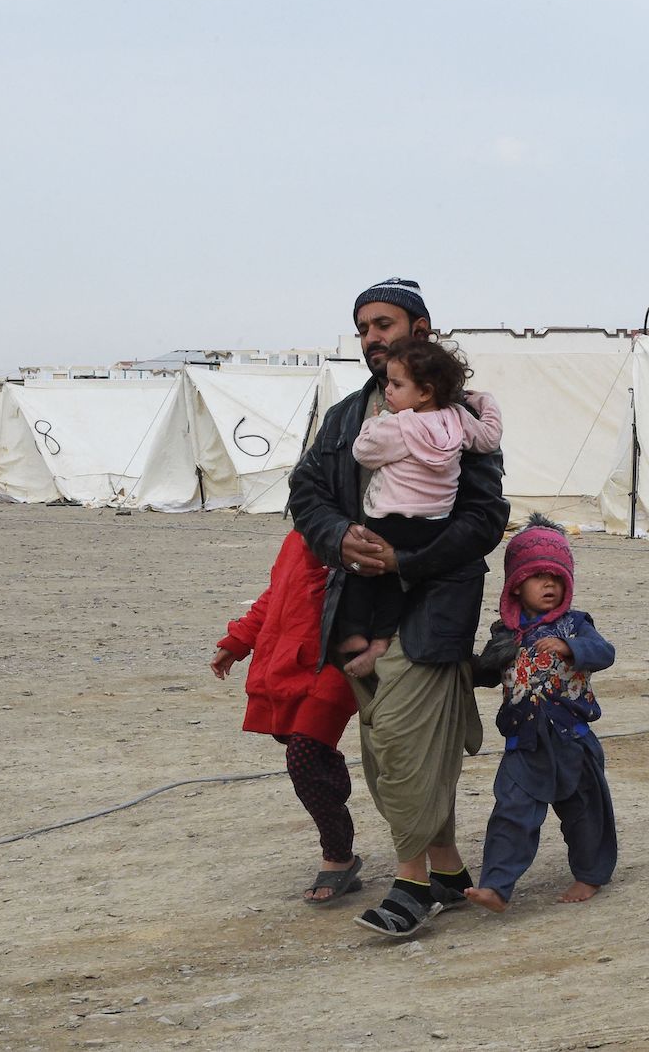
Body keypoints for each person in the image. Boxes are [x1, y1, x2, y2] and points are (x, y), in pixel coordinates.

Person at [288, 277, 509, 939]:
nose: (370, 338)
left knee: (404, 743)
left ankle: (410, 883)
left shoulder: (461, 414)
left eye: (382, 323)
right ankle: (444, 868)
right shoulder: (349, 416)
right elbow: (306, 493)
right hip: (362, 610)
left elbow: (486, 516)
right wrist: (338, 536)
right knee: (392, 746)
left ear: (420, 327)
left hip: (433, 605)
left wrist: (407, 560)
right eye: (361, 328)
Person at [462, 515, 618, 913]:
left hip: (572, 740)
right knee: (511, 811)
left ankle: (590, 873)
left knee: (586, 810)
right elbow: (482, 674)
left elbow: (604, 653)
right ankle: (496, 885)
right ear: (516, 584)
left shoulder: (576, 625)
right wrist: (472, 663)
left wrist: (571, 649)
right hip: (525, 743)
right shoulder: (505, 635)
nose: (549, 585)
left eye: (557, 577)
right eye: (538, 577)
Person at [336, 334, 503, 679]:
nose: (389, 391)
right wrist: (485, 402)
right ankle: (382, 641)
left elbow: (363, 452)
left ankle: (357, 634)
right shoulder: (458, 419)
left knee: (364, 569)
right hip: (434, 523)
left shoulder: (399, 426)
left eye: (397, 384)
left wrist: (378, 419)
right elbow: (489, 438)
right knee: (399, 576)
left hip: (391, 519)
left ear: (424, 392)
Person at [210, 529, 363, 903]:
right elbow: (275, 596)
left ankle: (338, 855)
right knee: (304, 752)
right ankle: (330, 780)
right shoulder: (297, 538)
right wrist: (238, 641)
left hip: (335, 662)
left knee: (304, 753)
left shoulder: (358, 534)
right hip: (289, 661)